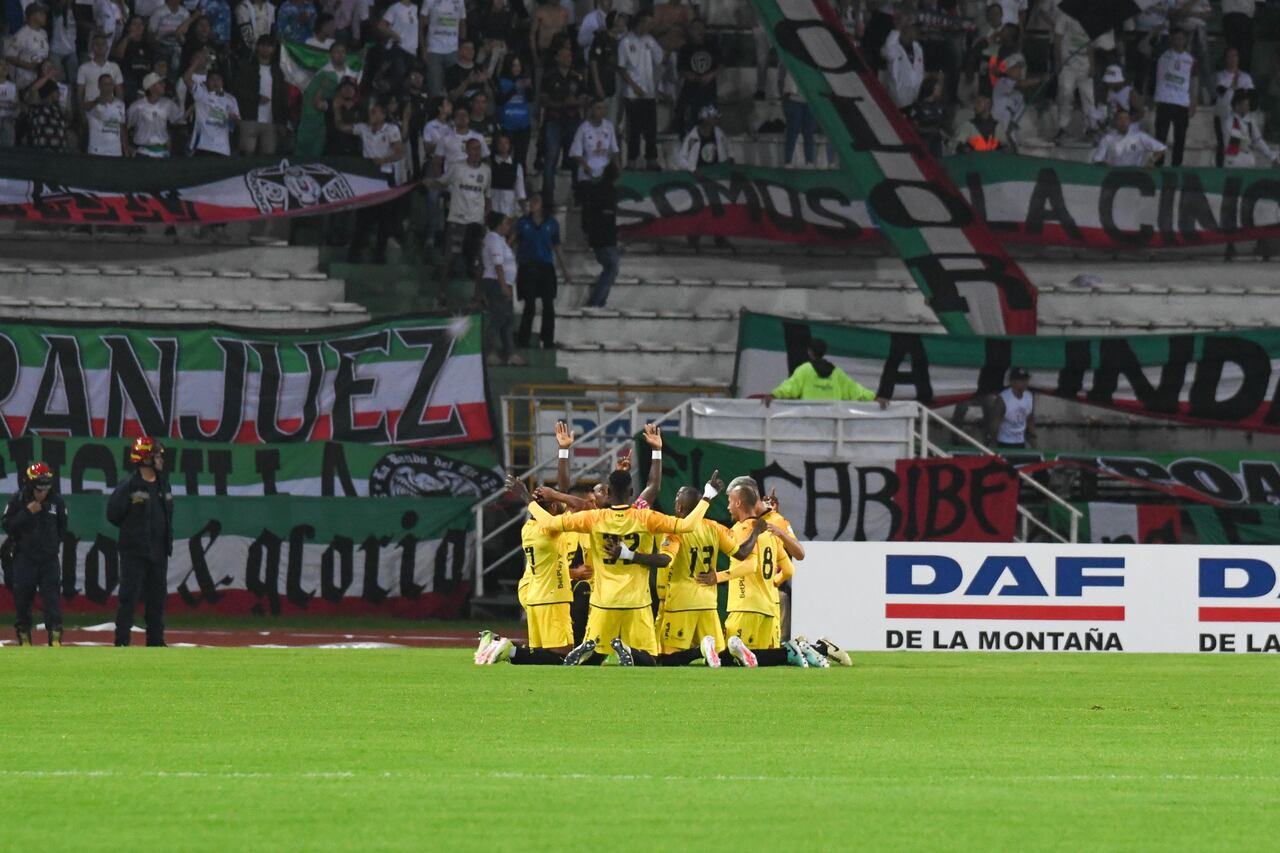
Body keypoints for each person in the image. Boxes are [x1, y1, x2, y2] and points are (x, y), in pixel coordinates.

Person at [510, 466, 724, 667]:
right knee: (650, 660)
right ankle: (629, 650)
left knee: (591, 663)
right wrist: (707, 497)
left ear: (609, 492)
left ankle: (591, 649)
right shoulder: (646, 517)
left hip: (604, 602)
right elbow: (688, 525)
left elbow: (549, 523)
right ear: (631, 492)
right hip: (637, 603)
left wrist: (527, 498)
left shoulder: (595, 518)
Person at [703, 477, 816, 668]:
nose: (728, 507)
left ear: (739, 501)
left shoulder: (752, 526)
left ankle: (796, 651)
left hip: (745, 605)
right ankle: (803, 650)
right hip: (769, 606)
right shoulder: (767, 529)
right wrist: (772, 583)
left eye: (730, 501)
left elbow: (754, 564)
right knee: (761, 662)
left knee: (728, 659)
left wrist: (718, 577)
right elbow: (789, 569)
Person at [653, 484, 763, 666]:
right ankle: (734, 651)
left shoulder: (676, 529)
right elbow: (742, 554)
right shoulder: (714, 527)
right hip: (708, 601)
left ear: (679, 507)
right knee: (719, 656)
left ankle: (700, 651)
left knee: (664, 660)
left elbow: (666, 559)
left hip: (680, 602)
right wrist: (756, 532)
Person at [107, 437, 173, 648]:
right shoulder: (129, 485)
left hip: (159, 551)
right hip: (134, 552)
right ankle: (122, 642)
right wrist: (134, 533)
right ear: (145, 459)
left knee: (157, 600)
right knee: (129, 598)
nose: (160, 459)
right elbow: (113, 514)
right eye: (156, 456)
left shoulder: (164, 484)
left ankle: (156, 641)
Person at [3, 462, 66, 647]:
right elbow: (8, 526)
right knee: (23, 599)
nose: (42, 492)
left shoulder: (57, 502)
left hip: (49, 561)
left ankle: (55, 639)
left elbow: (62, 528)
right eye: (39, 488)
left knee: (52, 600)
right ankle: (24, 637)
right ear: (30, 485)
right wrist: (27, 513)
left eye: (46, 488)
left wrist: (51, 547)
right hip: (25, 559)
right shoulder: (17, 500)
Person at [348, 101, 406, 263]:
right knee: (363, 215)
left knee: (384, 217)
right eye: (370, 112)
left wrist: (383, 160)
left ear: (383, 115)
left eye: (374, 112)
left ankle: (380, 252)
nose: (371, 115)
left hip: (384, 175)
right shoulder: (363, 128)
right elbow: (341, 127)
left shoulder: (391, 130)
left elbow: (400, 152)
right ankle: (355, 251)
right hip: (366, 176)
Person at [432, 136, 490, 292]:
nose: (477, 152)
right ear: (467, 151)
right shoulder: (457, 167)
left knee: (478, 260)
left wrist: (485, 218)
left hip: (476, 222)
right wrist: (426, 182)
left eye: (479, 148)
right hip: (457, 220)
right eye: (473, 148)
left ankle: (477, 297)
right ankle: (442, 294)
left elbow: (487, 195)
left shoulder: (486, 171)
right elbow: (441, 182)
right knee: (449, 258)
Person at [515, 194, 570, 350]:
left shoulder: (552, 224)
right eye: (531, 201)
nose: (532, 203)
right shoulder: (522, 222)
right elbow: (514, 243)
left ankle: (547, 340)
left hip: (545, 267)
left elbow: (557, 246)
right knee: (529, 305)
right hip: (527, 266)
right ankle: (523, 339)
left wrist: (565, 269)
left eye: (536, 201)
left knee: (548, 305)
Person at [766, 338, 888, 405]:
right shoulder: (836, 373)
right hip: (833, 425)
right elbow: (855, 390)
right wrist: (874, 398)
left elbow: (790, 387)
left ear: (809, 352)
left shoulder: (805, 370)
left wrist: (773, 395)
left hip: (810, 423)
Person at [538, 43, 584, 204]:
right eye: (564, 56)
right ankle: (548, 195)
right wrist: (562, 104)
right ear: (557, 58)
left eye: (569, 56)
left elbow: (585, 98)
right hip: (554, 120)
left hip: (573, 120)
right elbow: (543, 100)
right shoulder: (549, 76)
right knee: (551, 157)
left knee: (576, 158)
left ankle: (579, 194)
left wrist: (576, 101)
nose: (567, 59)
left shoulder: (577, 76)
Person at [618, 12, 662, 170]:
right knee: (634, 129)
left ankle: (651, 159)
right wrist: (634, 86)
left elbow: (659, 59)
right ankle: (631, 160)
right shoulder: (625, 42)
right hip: (632, 94)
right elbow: (622, 68)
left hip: (649, 92)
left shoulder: (650, 40)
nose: (650, 27)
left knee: (651, 128)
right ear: (640, 23)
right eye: (648, 23)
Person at [1051, 0, 1098, 143]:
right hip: (1067, 63)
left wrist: (1092, 64)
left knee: (1089, 96)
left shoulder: (1092, 17)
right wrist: (1058, 62)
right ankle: (1062, 128)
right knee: (1065, 93)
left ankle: (1091, 128)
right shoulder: (1064, 13)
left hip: (1084, 65)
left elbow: (1091, 44)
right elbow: (1057, 39)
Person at [233, 35, 288, 155]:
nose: (266, 49)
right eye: (263, 45)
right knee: (246, 154)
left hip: (271, 121)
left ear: (273, 49)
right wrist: (256, 98)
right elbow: (238, 90)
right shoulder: (246, 67)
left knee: (267, 158)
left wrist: (282, 121)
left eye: (269, 46)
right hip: (249, 118)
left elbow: (282, 97)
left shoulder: (278, 71)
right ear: (257, 47)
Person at [479, 211, 521, 365]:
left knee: (507, 319)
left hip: (504, 283)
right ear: (499, 225)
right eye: (506, 223)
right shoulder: (494, 240)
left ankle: (510, 353)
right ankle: (489, 352)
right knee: (497, 318)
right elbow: (498, 265)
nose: (508, 226)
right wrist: (503, 286)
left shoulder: (500, 240)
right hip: (497, 283)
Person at [1153, 28, 1197, 167]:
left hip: (1182, 102)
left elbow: (1194, 81)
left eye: (1181, 37)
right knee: (1160, 136)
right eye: (1176, 37)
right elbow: (1143, 49)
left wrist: (1193, 102)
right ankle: (1158, 164)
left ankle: (1176, 166)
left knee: (1180, 138)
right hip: (1164, 100)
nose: (1178, 40)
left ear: (1185, 40)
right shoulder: (1162, 54)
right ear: (1171, 39)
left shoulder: (1191, 60)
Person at [581, 163, 619, 307]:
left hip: (596, 235)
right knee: (612, 268)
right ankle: (597, 301)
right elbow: (610, 217)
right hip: (607, 237)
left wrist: (586, 229)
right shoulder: (611, 192)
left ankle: (600, 299)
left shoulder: (594, 189)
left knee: (610, 267)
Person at [673, 17, 718, 134]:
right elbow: (680, 69)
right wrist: (689, 75)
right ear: (690, 31)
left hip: (708, 88)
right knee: (682, 112)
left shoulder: (712, 46)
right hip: (690, 87)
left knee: (709, 117)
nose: (698, 31)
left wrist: (710, 75)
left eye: (700, 28)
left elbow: (720, 64)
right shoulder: (685, 48)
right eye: (695, 28)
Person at [186, 65, 239, 155]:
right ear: (207, 82)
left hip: (222, 149)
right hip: (202, 147)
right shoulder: (201, 94)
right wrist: (196, 63)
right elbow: (186, 79)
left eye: (218, 79)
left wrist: (232, 119)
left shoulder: (231, 99)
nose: (215, 82)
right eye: (212, 79)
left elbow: (233, 125)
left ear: (222, 82)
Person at [1215, 47, 1255, 167]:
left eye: (1235, 56)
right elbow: (1220, 92)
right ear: (1226, 59)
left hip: (1241, 117)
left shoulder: (1246, 77)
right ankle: (1221, 168)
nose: (1233, 59)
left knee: (1243, 143)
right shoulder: (1220, 76)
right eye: (1230, 56)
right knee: (1223, 143)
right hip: (1224, 115)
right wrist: (1233, 84)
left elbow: (1251, 94)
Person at [127, 72, 182, 156]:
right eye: (160, 83)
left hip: (162, 152)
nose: (164, 85)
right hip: (142, 152)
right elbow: (127, 127)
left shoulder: (168, 104)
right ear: (151, 87)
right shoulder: (136, 107)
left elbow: (178, 119)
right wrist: (130, 149)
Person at [1091, 107, 1165, 167]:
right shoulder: (1107, 139)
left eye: (1126, 119)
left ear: (1130, 121)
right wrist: (1105, 164)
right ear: (1115, 122)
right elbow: (1097, 160)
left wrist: (1152, 161)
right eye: (1120, 119)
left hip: (1134, 175)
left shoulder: (1139, 136)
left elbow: (1161, 148)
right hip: (1113, 175)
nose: (1123, 122)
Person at [421, 0, 466, 98]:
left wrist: (462, 46)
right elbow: (421, 26)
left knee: (454, 89)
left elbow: (462, 24)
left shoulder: (460, 1)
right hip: (434, 49)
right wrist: (423, 48)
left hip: (453, 50)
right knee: (435, 89)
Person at [495, 53, 532, 171]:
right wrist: (515, 88)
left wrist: (529, 87)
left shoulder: (524, 80)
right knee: (504, 158)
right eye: (514, 65)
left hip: (523, 126)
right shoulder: (500, 81)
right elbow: (499, 100)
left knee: (521, 159)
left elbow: (531, 98)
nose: (517, 68)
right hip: (507, 127)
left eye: (519, 65)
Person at [985, 367, 1035, 449]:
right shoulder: (1003, 398)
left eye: (1026, 380)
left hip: (1020, 442)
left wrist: (1033, 442)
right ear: (1012, 381)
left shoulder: (1029, 396)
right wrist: (994, 444)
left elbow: (1030, 419)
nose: (1025, 383)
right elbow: (995, 423)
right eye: (1021, 380)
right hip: (1004, 442)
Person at [77, 34, 124, 118]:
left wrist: (120, 111)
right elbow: (80, 94)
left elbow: (119, 91)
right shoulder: (83, 68)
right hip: (90, 111)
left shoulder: (114, 67)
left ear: (107, 47)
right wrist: (81, 114)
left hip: (110, 110)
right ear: (92, 47)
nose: (100, 47)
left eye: (103, 44)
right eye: (97, 44)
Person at [5, 4, 50, 92]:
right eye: (41, 13)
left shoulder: (44, 33)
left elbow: (44, 53)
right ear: (33, 16)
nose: (45, 16)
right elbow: (9, 56)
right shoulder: (22, 33)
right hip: (26, 79)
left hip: (41, 76)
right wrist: (28, 65)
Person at [881, 17, 924, 108]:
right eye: (913, 29)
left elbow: (920, 72)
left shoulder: (918, 48)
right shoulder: (895, 47)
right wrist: (897, 30)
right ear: (905, 30)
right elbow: (886, 51)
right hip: (898, 95)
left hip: (914, 94)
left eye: (917, 30)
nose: (916, 32)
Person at [84, 74, 128, 155]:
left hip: (115, 150)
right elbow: (85, 108)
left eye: (110, 84)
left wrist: (125, 149)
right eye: (105, 84)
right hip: (97, 150)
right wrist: (96, 102)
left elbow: (122, 128)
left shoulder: (120, 104)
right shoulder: (93, 105)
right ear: (99, 86)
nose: (108, 87)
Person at [376, 0, 419, 83]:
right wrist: (394, 34)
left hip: (412, 50)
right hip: (399, 47)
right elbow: (381, 26)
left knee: (408, 80)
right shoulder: (395, 8)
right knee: (399, 77)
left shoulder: (415, 8)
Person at [489, 132, 526, 218]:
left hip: (510, 203)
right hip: (494, 201)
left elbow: (520, 189)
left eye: (506, 142)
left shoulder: (517, 166)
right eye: (500, 142)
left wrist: (524, 208)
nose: (503, 145)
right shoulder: (490, 164)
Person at [1222, 0, 1256, 76]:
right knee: (1238, 54)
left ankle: (1241, 81)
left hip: (1239, 17)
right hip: (1238, 16)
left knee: (1239, 54)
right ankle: (1232, 81)